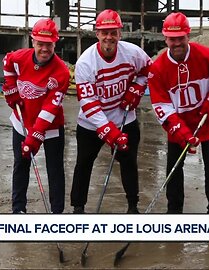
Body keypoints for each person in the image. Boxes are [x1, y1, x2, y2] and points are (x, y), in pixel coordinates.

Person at [148, 12, 209, 214]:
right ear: (165, 38)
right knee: (174, 166)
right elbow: (161, 106)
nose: (177, 43)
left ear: (188, 36)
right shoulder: (158, 68)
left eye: (181, 38)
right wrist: (181, 131)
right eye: (172, 39)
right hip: (179, 121)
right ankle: (174, 212)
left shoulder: (207, 55)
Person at [70, 9, 152, 214]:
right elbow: (88, 104)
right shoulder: (85, 63)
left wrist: (137, 87)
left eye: (113, 32)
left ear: (120, 33)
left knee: (129, 162)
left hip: (124, 118)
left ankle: (133, 207)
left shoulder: (133, 53)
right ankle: (78, 209)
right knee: (84, 164)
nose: (109, 37)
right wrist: (109, 132)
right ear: (97, 33)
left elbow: (150, 70)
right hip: (91, 123)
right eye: (104, 32)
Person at [2, 18, 70, 214]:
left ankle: (56, 214)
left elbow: (51, 107)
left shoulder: (61, 72)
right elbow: (7, 63)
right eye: (40, 44)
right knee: (21, 164)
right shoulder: (18, 58)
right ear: (33, 41)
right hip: (21, 121)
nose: (44, 49)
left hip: (50, 127)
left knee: (55, 170)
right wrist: (11, 89)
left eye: (48, 45)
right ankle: (18, 210)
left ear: (54, 43)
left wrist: (36, 135)